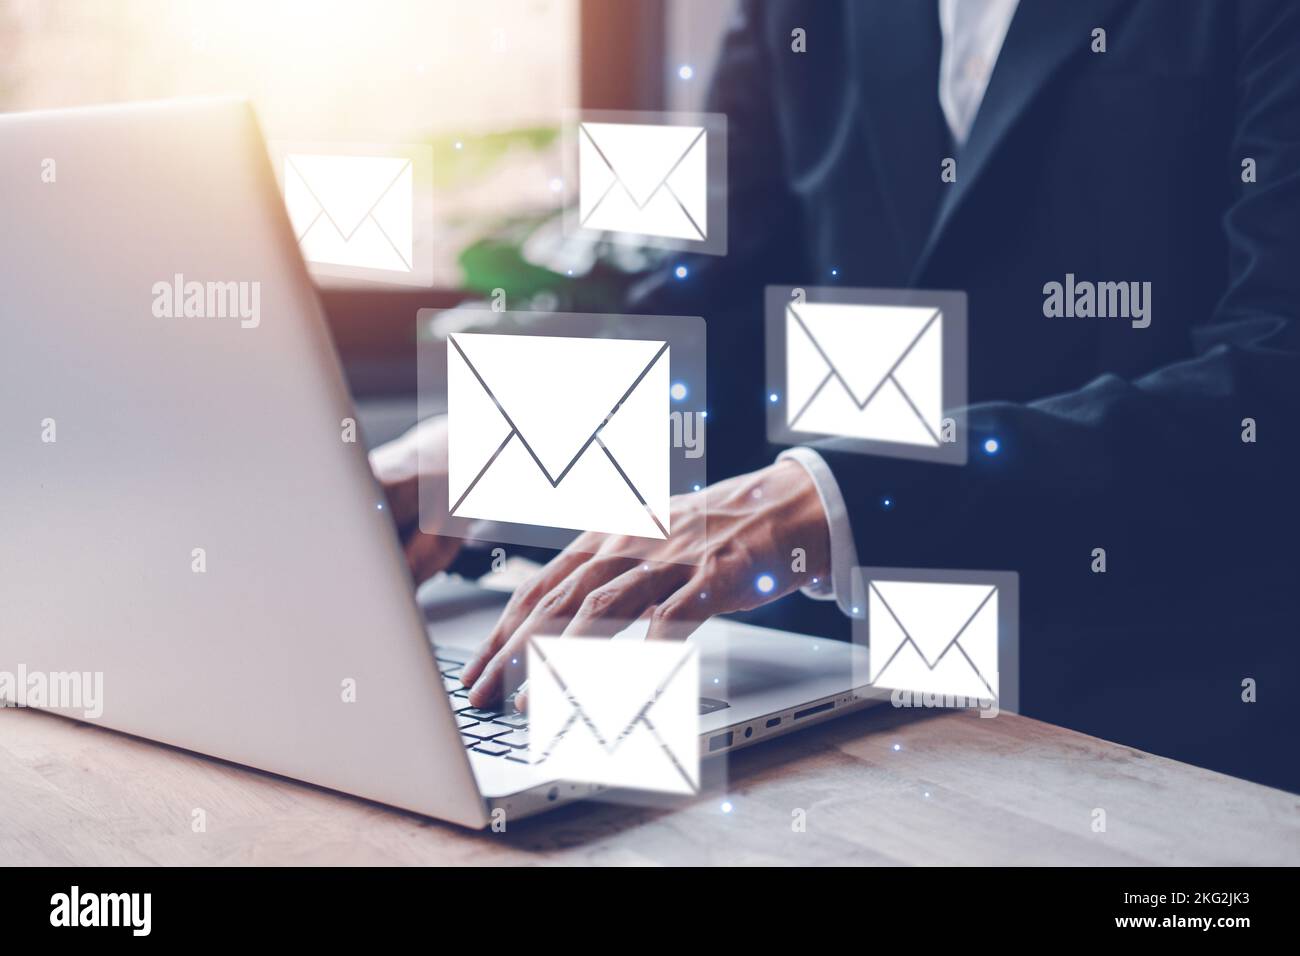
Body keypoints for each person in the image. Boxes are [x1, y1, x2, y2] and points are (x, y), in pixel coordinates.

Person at [372, 0, 1300, 791]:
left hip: (1167, 718)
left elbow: (1271, 379)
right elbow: (735, 311)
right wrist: (505, 440)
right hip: (844, 689)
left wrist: (833, 498)